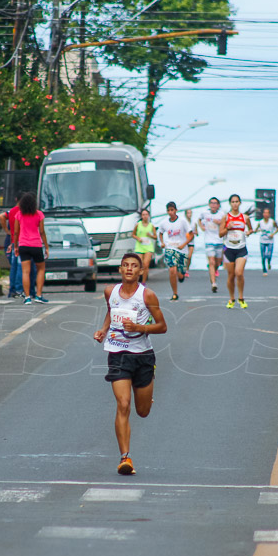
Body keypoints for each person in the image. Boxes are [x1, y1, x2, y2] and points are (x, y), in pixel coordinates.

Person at [92, 252, 168, 476]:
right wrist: (104, 330)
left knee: (142, 411)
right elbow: (111, 311)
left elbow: (162, 326)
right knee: (123, 404)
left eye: (134, 266)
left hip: (143, 355)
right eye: (125, 265)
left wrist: (140, 328)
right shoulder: (110, 292)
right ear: (120, 269)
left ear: (141, 271)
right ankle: (125, 458)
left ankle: (146, 395)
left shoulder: (148, 296)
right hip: (117, 353)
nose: (129, 269)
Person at [13, 192, 49, 305]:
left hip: (23, 245)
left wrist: (15, 246)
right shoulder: (39, 214)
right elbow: (42, 231)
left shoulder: (19, 215)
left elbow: (16, 232)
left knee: (25, 271)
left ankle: (27, 297)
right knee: (41, 269)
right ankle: (38, 294)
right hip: (36, 245)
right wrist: (46, 247)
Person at [219, 193, 253, 309]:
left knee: (239, 273)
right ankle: (232, 298)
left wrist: (249, 232)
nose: (235, 204)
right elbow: (220, 234)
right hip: (228, 249)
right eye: (233, 202)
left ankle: (241, 298)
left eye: (236, 201)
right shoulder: (226, 217)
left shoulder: (245, 217)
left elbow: (251, 229)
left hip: (241, 249)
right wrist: (228, 227)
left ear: (240, 203)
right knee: (231, 275)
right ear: (230, 203)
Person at [156, 201, 193, 301]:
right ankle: (174, 293)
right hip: (170, 248)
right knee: (172, 270)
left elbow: (191, 234)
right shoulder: (164, 223)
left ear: (176, 210)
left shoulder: (183, 221)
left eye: (172, 210)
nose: (170, 212)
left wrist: (184, 244)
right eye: (168, 210)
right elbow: (160, 233)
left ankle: (181, 276)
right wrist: (162, 242)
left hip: (181, 249)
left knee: (180, 274)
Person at [0, 206, 30, 299]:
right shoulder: (25, 212)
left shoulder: (12, 211)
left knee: (14, 267)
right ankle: (20, 289)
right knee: (22, 267)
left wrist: (7, 232)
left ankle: (13, 290)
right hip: (22, 242)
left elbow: (1, 216)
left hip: (13, 242)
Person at [196, 197, 225, 293]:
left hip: (219, 241)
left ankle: (213, 271)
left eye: (215, 203)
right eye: (211, 203)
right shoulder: (204, 213)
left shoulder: (222, 214)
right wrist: (202, 227)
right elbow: (199, 220)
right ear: (209, 204)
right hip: (209, 241)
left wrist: (221, 223)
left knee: (217, 263)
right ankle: (213, 283)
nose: (213, 205)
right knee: (211, 262)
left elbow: (227, 225)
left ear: (218, 205)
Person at [252, 206, 278, 275]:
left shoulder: (272, 221)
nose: (265, 214)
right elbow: (255, 230)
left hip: (270, 241)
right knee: (263, 256)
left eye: (267, 213)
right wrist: (256, 230)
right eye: (264, 213)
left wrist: (273, 234)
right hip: (262, 241)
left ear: (269, 214)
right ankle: (264, 270)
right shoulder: (260, 222)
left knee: (269, 255)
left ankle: (269, 262)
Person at [133, 209, 157, 284]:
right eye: (143, 215)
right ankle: (137, 280)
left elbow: (155, 237)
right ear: (141, 216)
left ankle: (143, 282)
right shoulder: (138, 224)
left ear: (148, 216)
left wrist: (150, 235)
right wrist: (138, 238)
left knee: (146, 264)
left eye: (146, 214)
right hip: (140, 246)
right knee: (139, 264)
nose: (145, 216)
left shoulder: (151, 225)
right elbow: (133, 234)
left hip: (148, 247)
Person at [183, 208, 196, 279]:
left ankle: (187, 269)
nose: (189, 215)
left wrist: (194, 233)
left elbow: (197, 232)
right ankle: (183, 269)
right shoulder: (183, 222)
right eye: (188, 213)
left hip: (191, 242)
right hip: (184, 242)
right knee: (185, 257)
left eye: (190, 213)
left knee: (189, 257)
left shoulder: (194, 223)